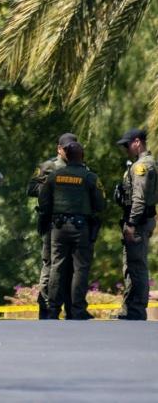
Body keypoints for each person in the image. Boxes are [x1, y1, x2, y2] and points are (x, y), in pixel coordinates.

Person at [38, 142, 105, 320]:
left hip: (58, 228)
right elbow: (100, 204)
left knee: (57, 267)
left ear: (66, 156)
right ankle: (77, 310)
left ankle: (52, 309)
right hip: (80, 228)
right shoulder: (90, 177)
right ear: (82, 156)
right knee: (80, 269)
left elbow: (43, 202)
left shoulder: (54, 176)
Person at [27, 133, 77, 319]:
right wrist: (51, 187)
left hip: (73, 225)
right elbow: (31, 188)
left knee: (73, 266)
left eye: (72, 147)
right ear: (59, 149)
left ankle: (72, 308)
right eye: (66, 148)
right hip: (52, 223)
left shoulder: (80, 167)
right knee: (50, 264)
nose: (69, 151)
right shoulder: (48, 167)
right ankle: (47, 306)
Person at [114, 128, 158, 320]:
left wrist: (131, 224)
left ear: (137, 142)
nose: (125, 149)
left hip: (138, 222)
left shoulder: (141, 166)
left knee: (137, 266)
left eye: (127, 145)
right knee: (131, 265)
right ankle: (130, 308)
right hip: (141, 220)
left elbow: (139, 199)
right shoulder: (146, 163)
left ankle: (136, 309)